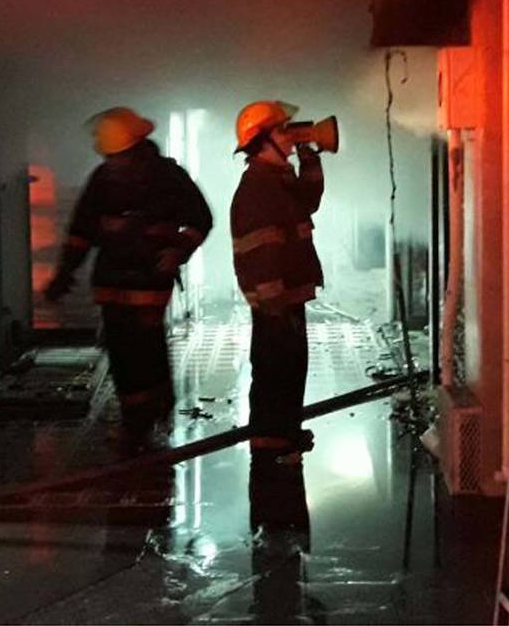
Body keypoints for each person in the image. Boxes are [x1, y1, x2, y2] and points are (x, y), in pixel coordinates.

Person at [45, 106, 213, 450]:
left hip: (150, 280)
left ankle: (149, 415)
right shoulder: (102, 179)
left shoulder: (168, 177)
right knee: (122, 352)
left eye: (118, 157)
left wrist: (177, 251)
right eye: (110, 158)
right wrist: (64, 273)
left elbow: (201, 219)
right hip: (112, 283)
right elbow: (81, 232)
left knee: (145, 348)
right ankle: (138, 418)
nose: (113, 164)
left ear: (136, 149)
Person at [230, 100, 325, 465]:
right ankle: (271, 449)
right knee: (276, 371)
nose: (290, 135)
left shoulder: (277, 179)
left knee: (289, 369)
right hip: (276, 302)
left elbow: (309, 201)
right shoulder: (258, 188)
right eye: (282, 130)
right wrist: (274, 306)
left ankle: (284, 437)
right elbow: (261, 252)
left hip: (285, 298)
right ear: (262, 140)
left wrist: (310, 158)